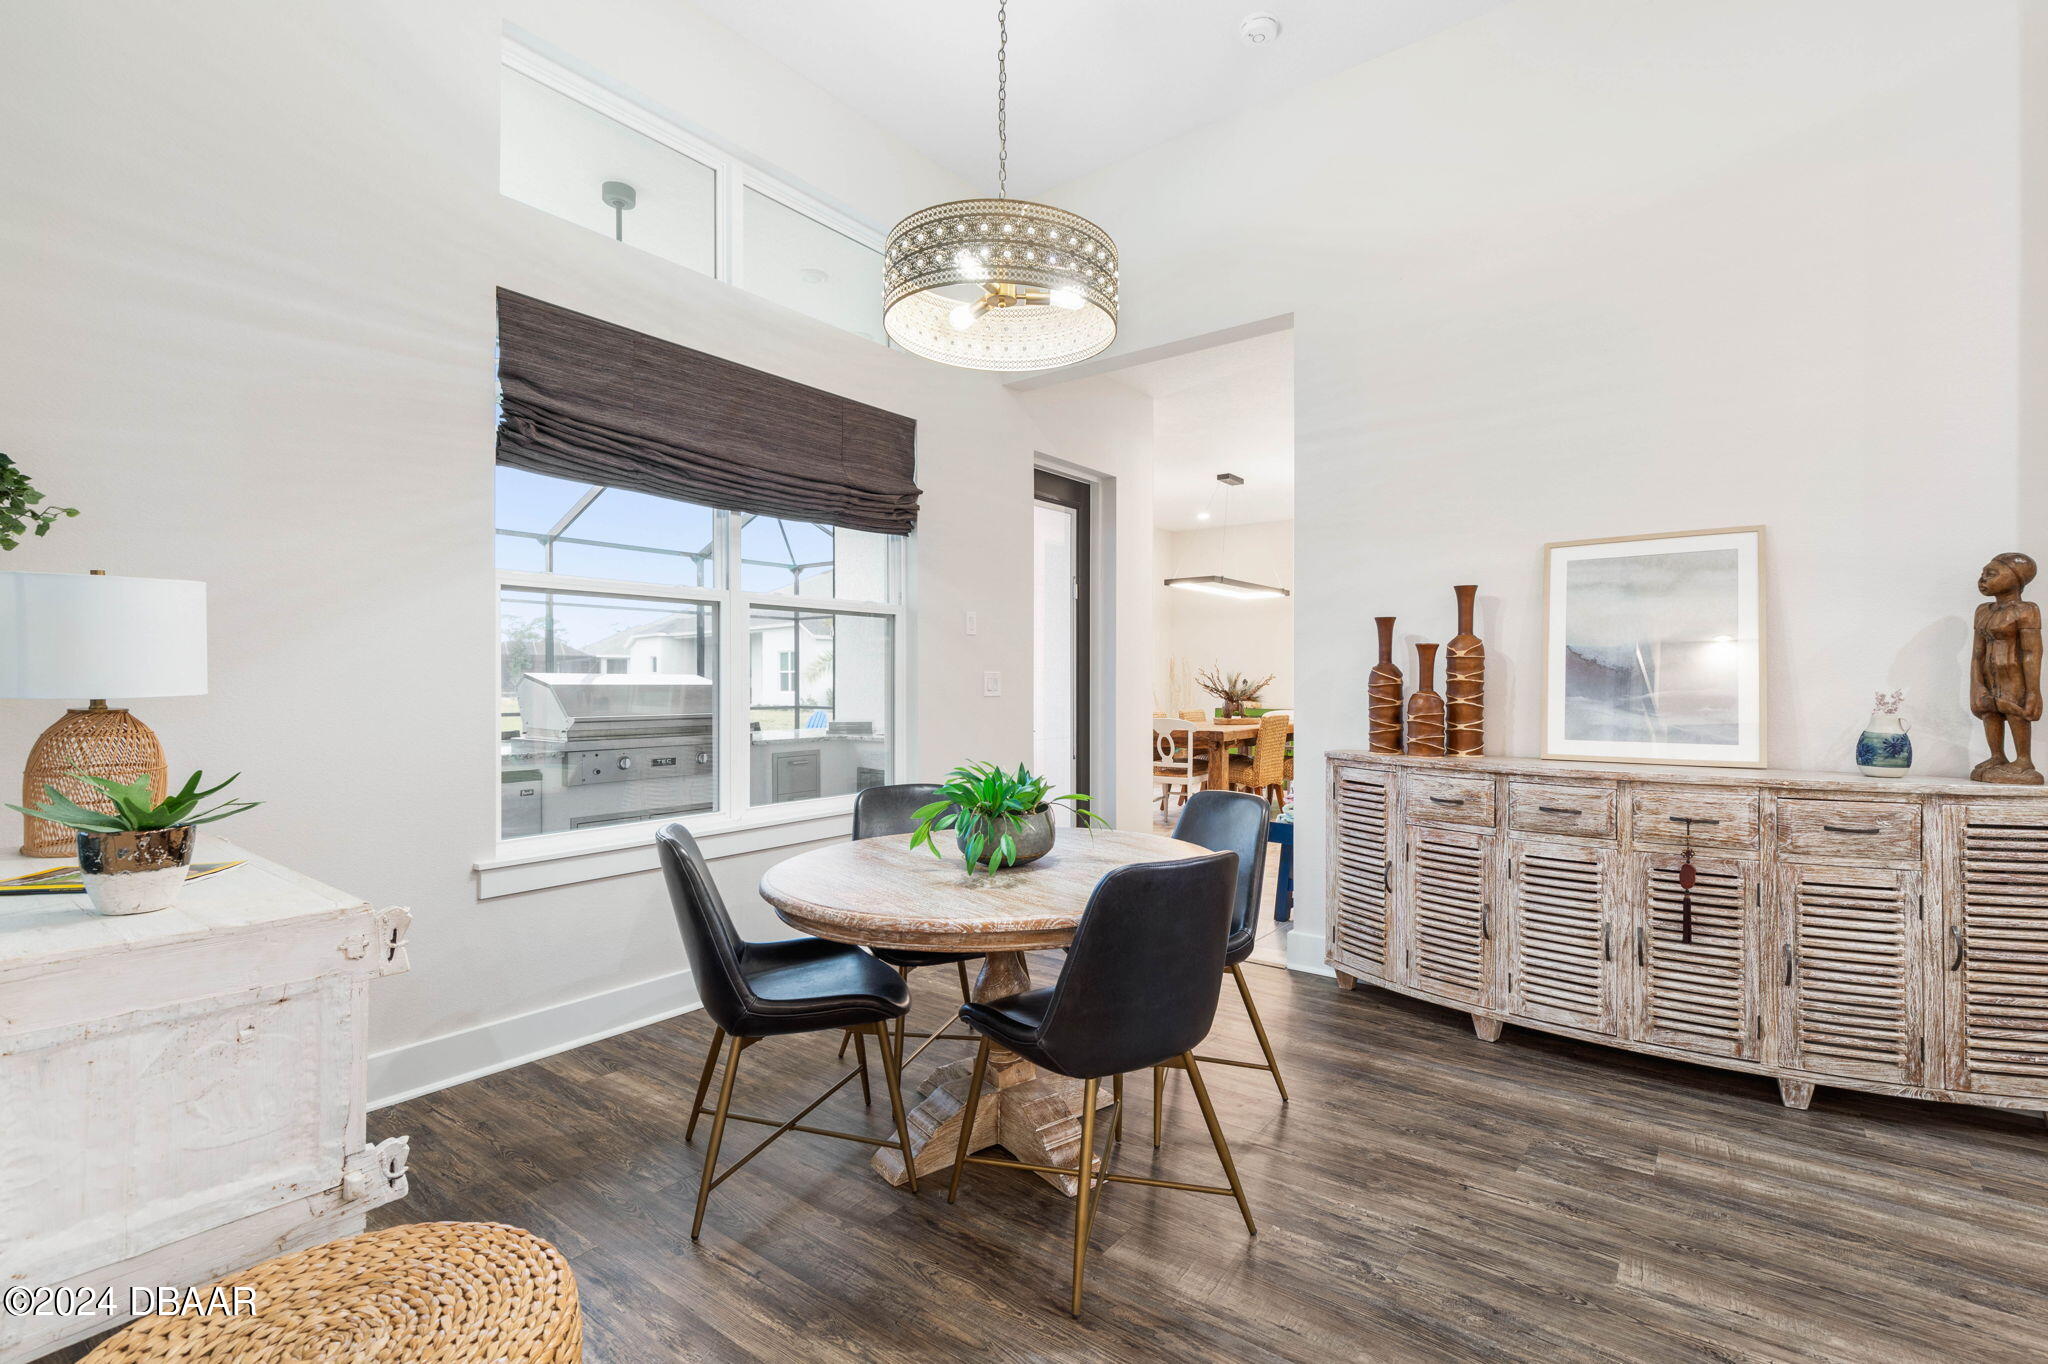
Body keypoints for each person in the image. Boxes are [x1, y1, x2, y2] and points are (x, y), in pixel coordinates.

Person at [1971, 551, 2043, 784]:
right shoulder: (1983, 610)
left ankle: (2024, 760)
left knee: (2015, 712)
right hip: (1987, 674)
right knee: (1989, 711)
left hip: (2013, 674)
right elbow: (1977, 653)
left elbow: (2032, 652)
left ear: (2016, 579)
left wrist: (2033, 691)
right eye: (1983, 574)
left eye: (1991, 574)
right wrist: (1976, 684)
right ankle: (1997, 756)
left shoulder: (2026, 610)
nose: (1983, 579)